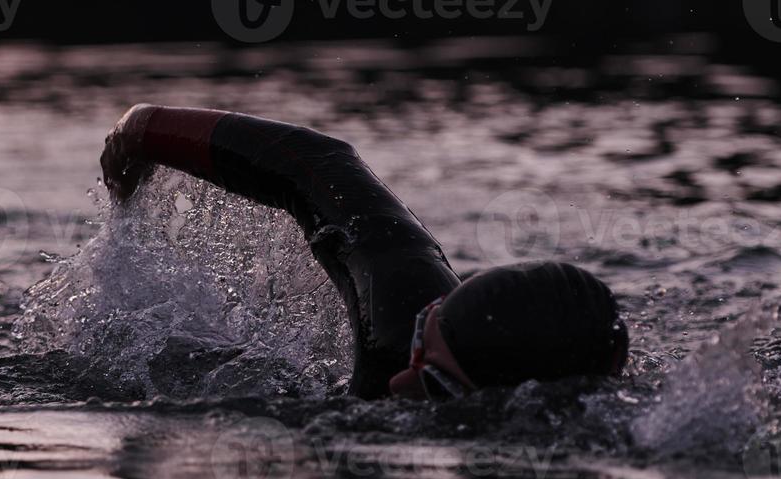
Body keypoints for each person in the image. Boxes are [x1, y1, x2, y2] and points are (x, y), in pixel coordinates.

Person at [99, 104, 627, 401]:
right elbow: (316, 163)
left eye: (434, 378)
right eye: (423, 337)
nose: (398, 378)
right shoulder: (398, 321)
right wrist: (138, 132)